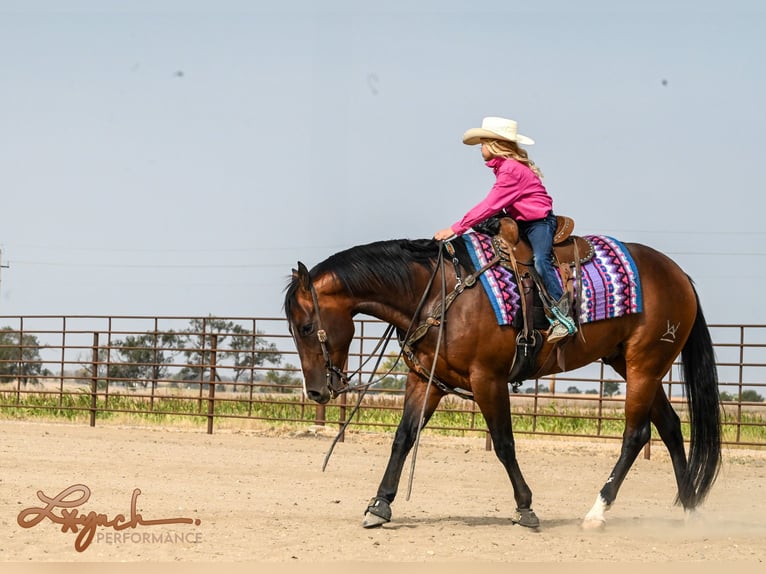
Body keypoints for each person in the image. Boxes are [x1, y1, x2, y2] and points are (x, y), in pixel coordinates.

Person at [433, 116, 576, 343]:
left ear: (493, 145)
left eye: (483, 143)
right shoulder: (504, 168)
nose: (480, 148)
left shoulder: (510, 170)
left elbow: (490, 204)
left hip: (538, 223)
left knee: (540, 260)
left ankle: (563, 315)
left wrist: (455, 228)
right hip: (520, 220)